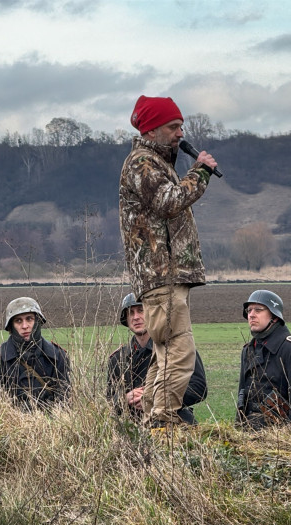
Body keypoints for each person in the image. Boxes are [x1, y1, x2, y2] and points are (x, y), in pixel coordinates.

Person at [118, 95, 218, 429]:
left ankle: (151, 417)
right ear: (153, 128)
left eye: (181, 126)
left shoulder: (155, 163)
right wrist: (200, 172)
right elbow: (169, 201)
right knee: (179, 350)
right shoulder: (142, 163)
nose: (180, 133)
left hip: (163, 275)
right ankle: (162, 421)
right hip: (161, 274)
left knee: (164, 353)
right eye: (173, 126)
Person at [107, 293, 208, 425]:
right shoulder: (117, 359)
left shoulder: (178, 349)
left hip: (173, 426)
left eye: (141, 310)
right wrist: (124, 398)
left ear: (153, 314)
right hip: (132, 432)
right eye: (130, 313)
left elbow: (199, 389)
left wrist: (154, 399)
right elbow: (109, 402)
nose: (136, 317)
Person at [237, 289, 291, 430]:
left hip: (282, 434)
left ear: (274, 316)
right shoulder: (248, 350)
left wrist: (289, 438)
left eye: (258, 310)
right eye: (249, 310)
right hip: (250, 432)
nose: (251, 315)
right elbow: (242, 396)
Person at [0, 297, 71, 410]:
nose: (25, 326)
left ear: (38, 321)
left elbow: (64, 403)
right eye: (18, 321)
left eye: (29, 319)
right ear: (11, 326)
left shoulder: (58, 356)